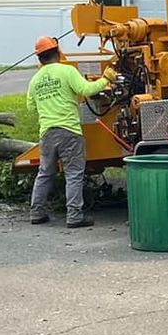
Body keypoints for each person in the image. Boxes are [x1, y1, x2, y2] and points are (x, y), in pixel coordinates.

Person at [26, 34, 113, 228]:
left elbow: (30, 107)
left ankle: (36, 213)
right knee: (73, 173)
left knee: (45, 173)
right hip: (69, 131)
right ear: (58, 52)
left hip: (47, 132)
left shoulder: (35, 80)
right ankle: (74, 216)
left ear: (39, 58)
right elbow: (87, 89)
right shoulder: (67, 71)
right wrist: (105, 78)